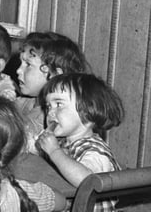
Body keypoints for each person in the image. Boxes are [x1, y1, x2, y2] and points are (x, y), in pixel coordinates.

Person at [37, 73, 124, 212]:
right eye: (48, 106)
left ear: (87, 112)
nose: (50, 113)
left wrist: (54, 152)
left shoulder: (94, 150)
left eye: (58, 104)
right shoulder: (63, 142)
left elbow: (87, 181)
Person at [15, 32, 89, 154]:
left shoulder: (53, 117)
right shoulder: (25, 101)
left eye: (28, 65)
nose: (18, 70)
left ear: (55, 75)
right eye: (21, 64)